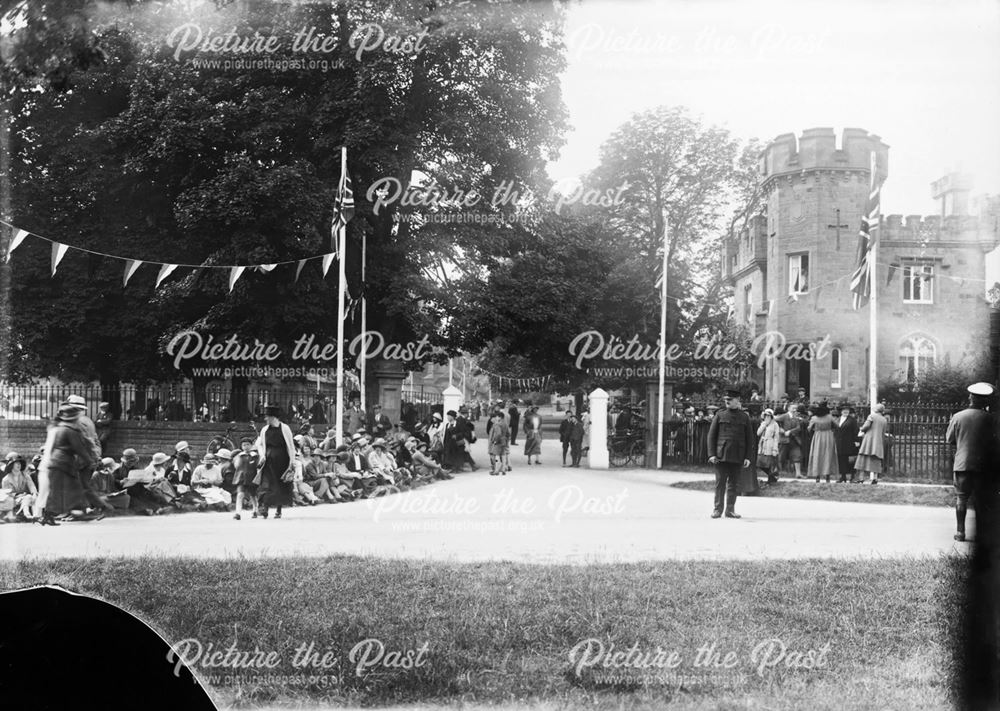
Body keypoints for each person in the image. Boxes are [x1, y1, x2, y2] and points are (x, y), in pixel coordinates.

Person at [946, 382, 998, 542]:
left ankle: (960, 532)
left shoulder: (958, 416)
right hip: (983, 466)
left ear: (971, 398)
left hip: (962, 464)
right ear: (985, 401)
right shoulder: (991, 419)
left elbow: (950, 440)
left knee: (961, 498)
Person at [35, 403, 99, 525]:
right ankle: (76, 512)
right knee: (65, 488)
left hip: (50, 462)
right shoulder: (65, 429)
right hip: (58, 462)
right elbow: (78, 447)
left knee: (50, 489)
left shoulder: (55, 427)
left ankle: (45, 515)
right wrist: (89, 459)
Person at [706, 388, 753, 519]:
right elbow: (711, 436)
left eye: (730, 400)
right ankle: (717, 510)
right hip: (721, 456)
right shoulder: (720, 415)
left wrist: (748, 457)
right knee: (720, 483)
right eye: (726, 400)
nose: (727, 402)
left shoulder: (744, 417)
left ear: (737, 401)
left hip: (738, 456)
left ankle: (730, 510)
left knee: (734, 484)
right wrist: (712, 454)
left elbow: (750, 439)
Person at [253, 405, 296, 519]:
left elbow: (290, 445)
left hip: (282, 459)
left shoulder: (285, 428)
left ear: (273, 417)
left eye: (267, 417)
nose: (265, 419)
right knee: (266, 484)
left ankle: (278, 509)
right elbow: (260, 444)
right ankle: (264, 507)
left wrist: (292, 461)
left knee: (280, 484)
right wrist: (262, 455)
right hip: (268, 460)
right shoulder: (264, 430)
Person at [855, 403, 888, 485]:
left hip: (869, 440)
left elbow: (866, 426)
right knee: (875, 460)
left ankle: (861, 478)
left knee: (862, 458)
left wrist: (861, 429)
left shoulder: (872, 416)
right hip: (878, 442)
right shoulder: (884, 419)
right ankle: (875, 479)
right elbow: (883, 432)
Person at [807, 401, 839, 483]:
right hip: (828, 435)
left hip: (818, 436)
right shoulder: (829, 417)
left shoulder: (814, 418)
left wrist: (815, 429)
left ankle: (817, 476)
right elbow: (837, 425)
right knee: (828, 455)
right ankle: (827, 476)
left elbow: (809, 428)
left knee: (817, 455)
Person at [2, 453, 37, 521]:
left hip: (26, 497)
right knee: (27, 497)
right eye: (16, 463)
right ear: (11, 465)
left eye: (20, 463)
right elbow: (7, 494)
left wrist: (34, 493)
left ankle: (33, 515)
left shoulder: (26, 476)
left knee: (31, 497)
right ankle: (26, 514)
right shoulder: (5, 480)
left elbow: (32, 486)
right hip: (14, 500)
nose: (19, 465)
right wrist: (18, 495)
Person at [231, 437, 259, 520]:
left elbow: (258, 466)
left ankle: (255, 510)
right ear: (241, 447)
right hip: (241, 478)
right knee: (240, 494)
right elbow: (236, 466)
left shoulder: (255, 456)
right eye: (244, 445)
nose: (246, 446)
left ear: (251, 445)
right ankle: (238, 513)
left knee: (253, 495)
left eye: (248, 445)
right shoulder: (239, 456)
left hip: (252, 478)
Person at [834, 404, 860, 483]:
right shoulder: (837, 420)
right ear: (841, 411)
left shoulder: (852, 420)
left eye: (847, 410)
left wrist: (857, 441)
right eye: (844, 410)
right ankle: (843, 477)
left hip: (849, 442)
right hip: (839, 443)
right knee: (841, 460)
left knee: (851, 460)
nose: (846, 411)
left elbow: (856, 431)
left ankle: (852, 477)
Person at [756, 409, 781, 484]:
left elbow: (776, 437)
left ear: (771, 416)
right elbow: (758, 433)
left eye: (768, 416)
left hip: (770, 444)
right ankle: (772, 476)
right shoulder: (763, 423)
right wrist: (764, 425)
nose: (767, 417)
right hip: (762, 444)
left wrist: (775, 448)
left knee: (769, 463)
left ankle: (771, 479)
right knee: (760, 463)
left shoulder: (775, 424)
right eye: (765, 416)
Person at [488, 411, 510, 476]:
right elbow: (508, 434)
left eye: (497, 416)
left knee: (497, 455)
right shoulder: (505, 424)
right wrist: (506, 440)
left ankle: (496, 470)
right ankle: (503, 470)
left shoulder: (497, 424)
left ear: (500, 417)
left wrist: (495, 441)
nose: (496, 418)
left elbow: (498, 434)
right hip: (504, 441)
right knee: (503, 455)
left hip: (498, 442)